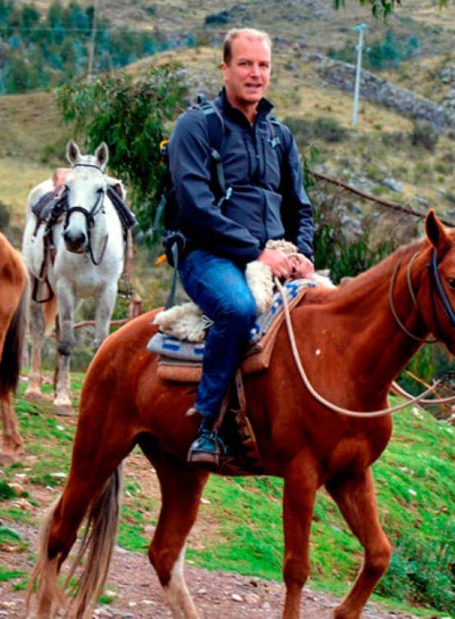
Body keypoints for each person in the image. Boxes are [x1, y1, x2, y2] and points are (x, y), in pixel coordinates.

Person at [167, 27, 315, 467]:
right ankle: (207, 427)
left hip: (276, 253)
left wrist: (302, 253)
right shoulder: (197, 126)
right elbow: (195, 207)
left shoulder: (279, 136)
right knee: (236, 308)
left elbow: (300, 208)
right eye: (245, 64)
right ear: (225, 69)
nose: (255, 74)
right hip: (206, 254)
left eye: (263, 65)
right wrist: (256, 252)